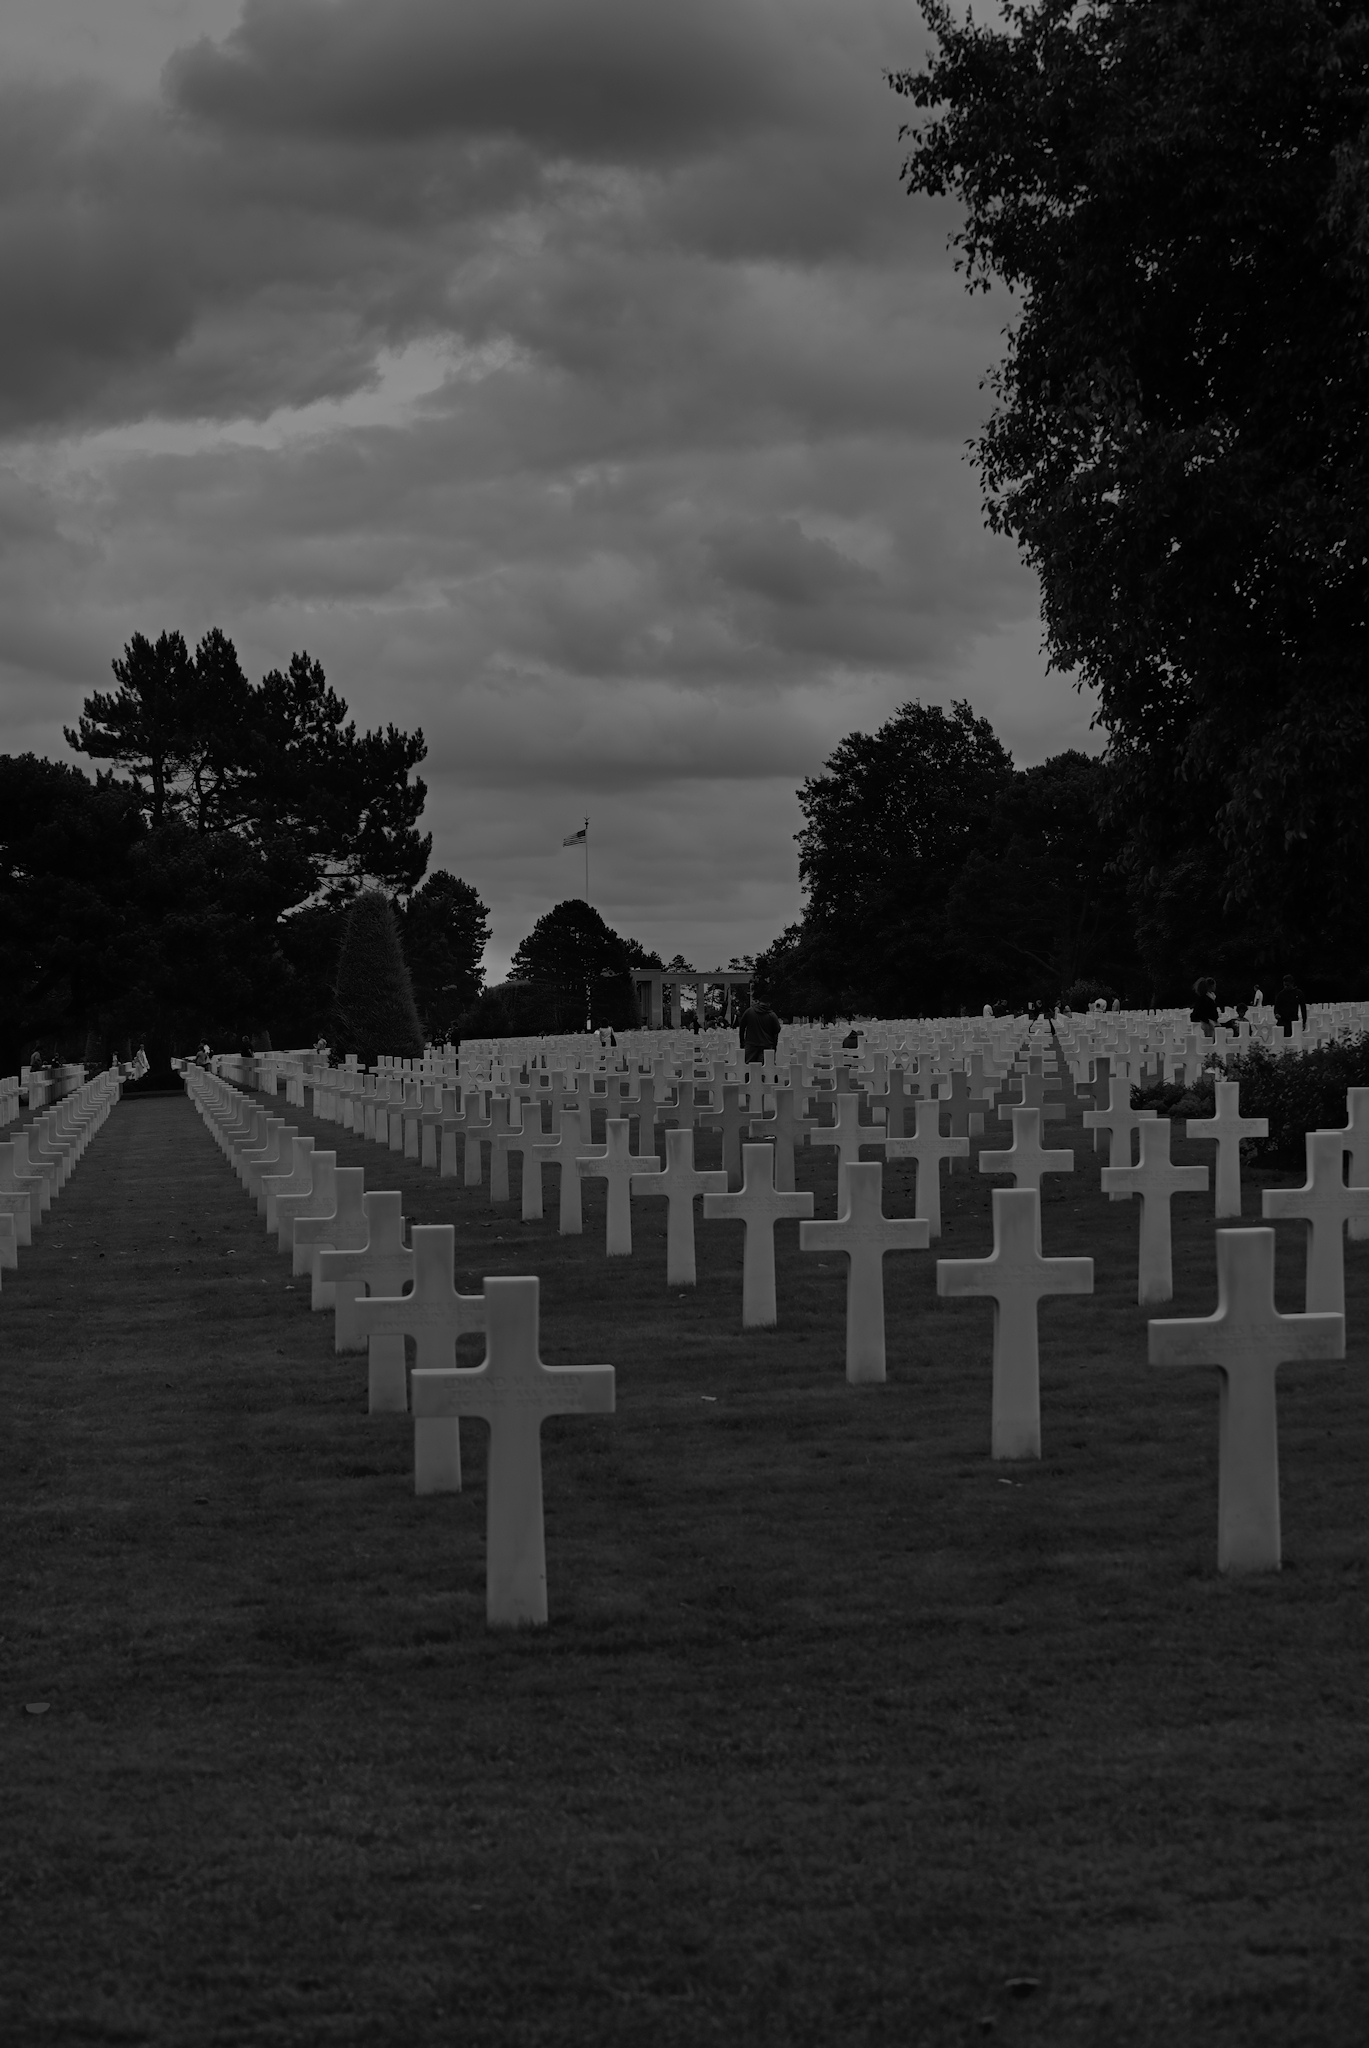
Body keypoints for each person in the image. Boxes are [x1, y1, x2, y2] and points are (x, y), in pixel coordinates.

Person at [738, 995, 782, 1067]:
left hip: (751, 1044)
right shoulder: (772, 1015)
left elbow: (742, 1027)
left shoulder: (749, 1012)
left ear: (759, 1002)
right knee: (765, 1069)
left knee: (749, 1068)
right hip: (766, 1045)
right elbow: (777, 1030)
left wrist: (742, 1042)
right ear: (769, 1003)